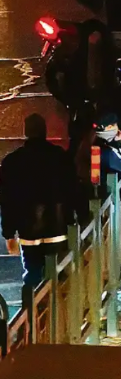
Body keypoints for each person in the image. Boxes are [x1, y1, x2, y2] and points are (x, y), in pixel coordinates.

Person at [0, 114, 85, 286]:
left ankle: (34, 308)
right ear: (45, 132)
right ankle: (58, 309)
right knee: (59, 273)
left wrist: (8, 233)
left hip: (27, 228)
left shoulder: (12, 162)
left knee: (32, 273)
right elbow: (73, 189)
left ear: (26, 132)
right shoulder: (60, 157)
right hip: (58, 225)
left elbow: (6, 199)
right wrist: (81, 216)